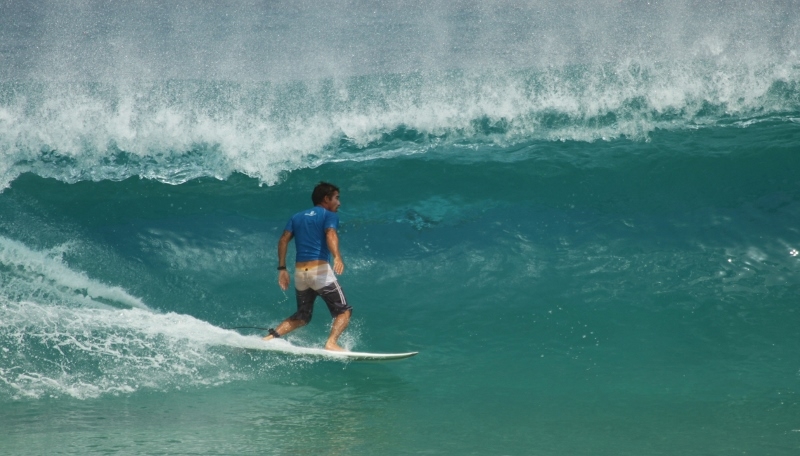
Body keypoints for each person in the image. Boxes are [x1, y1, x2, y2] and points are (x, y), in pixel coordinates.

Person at [262, 182, 352, 351]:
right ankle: (331, 343)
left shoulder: (296, 217)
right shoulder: (328, 215)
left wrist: (282, 269)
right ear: (326, 199)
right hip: (319, 272)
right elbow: (331, 233)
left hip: (300, 274)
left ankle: (268, 338)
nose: (339, 203)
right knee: (343, 311)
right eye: (337, 198)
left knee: (302, 316)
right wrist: (337, 257)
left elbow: (283, 240)